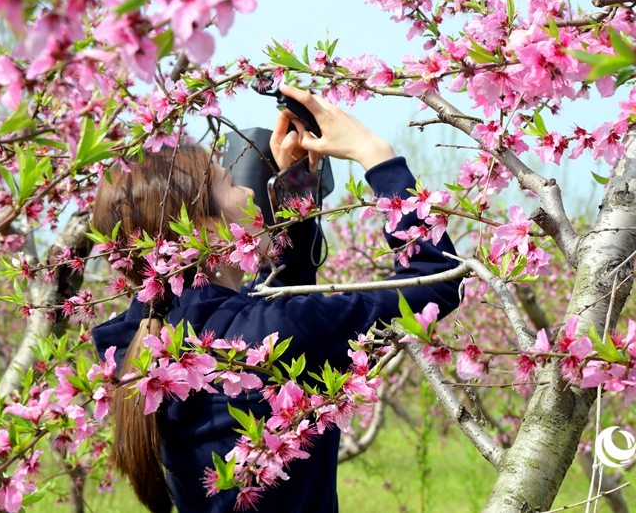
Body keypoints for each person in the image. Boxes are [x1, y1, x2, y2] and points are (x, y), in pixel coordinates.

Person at [91, 85, 462, 513]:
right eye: (231, 185)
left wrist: (296, 198)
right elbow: (434, 277)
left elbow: (267, 312)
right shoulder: (268, 335)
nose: (250, 193)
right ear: (204, 231)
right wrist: (376, 154)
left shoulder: (135, 345)